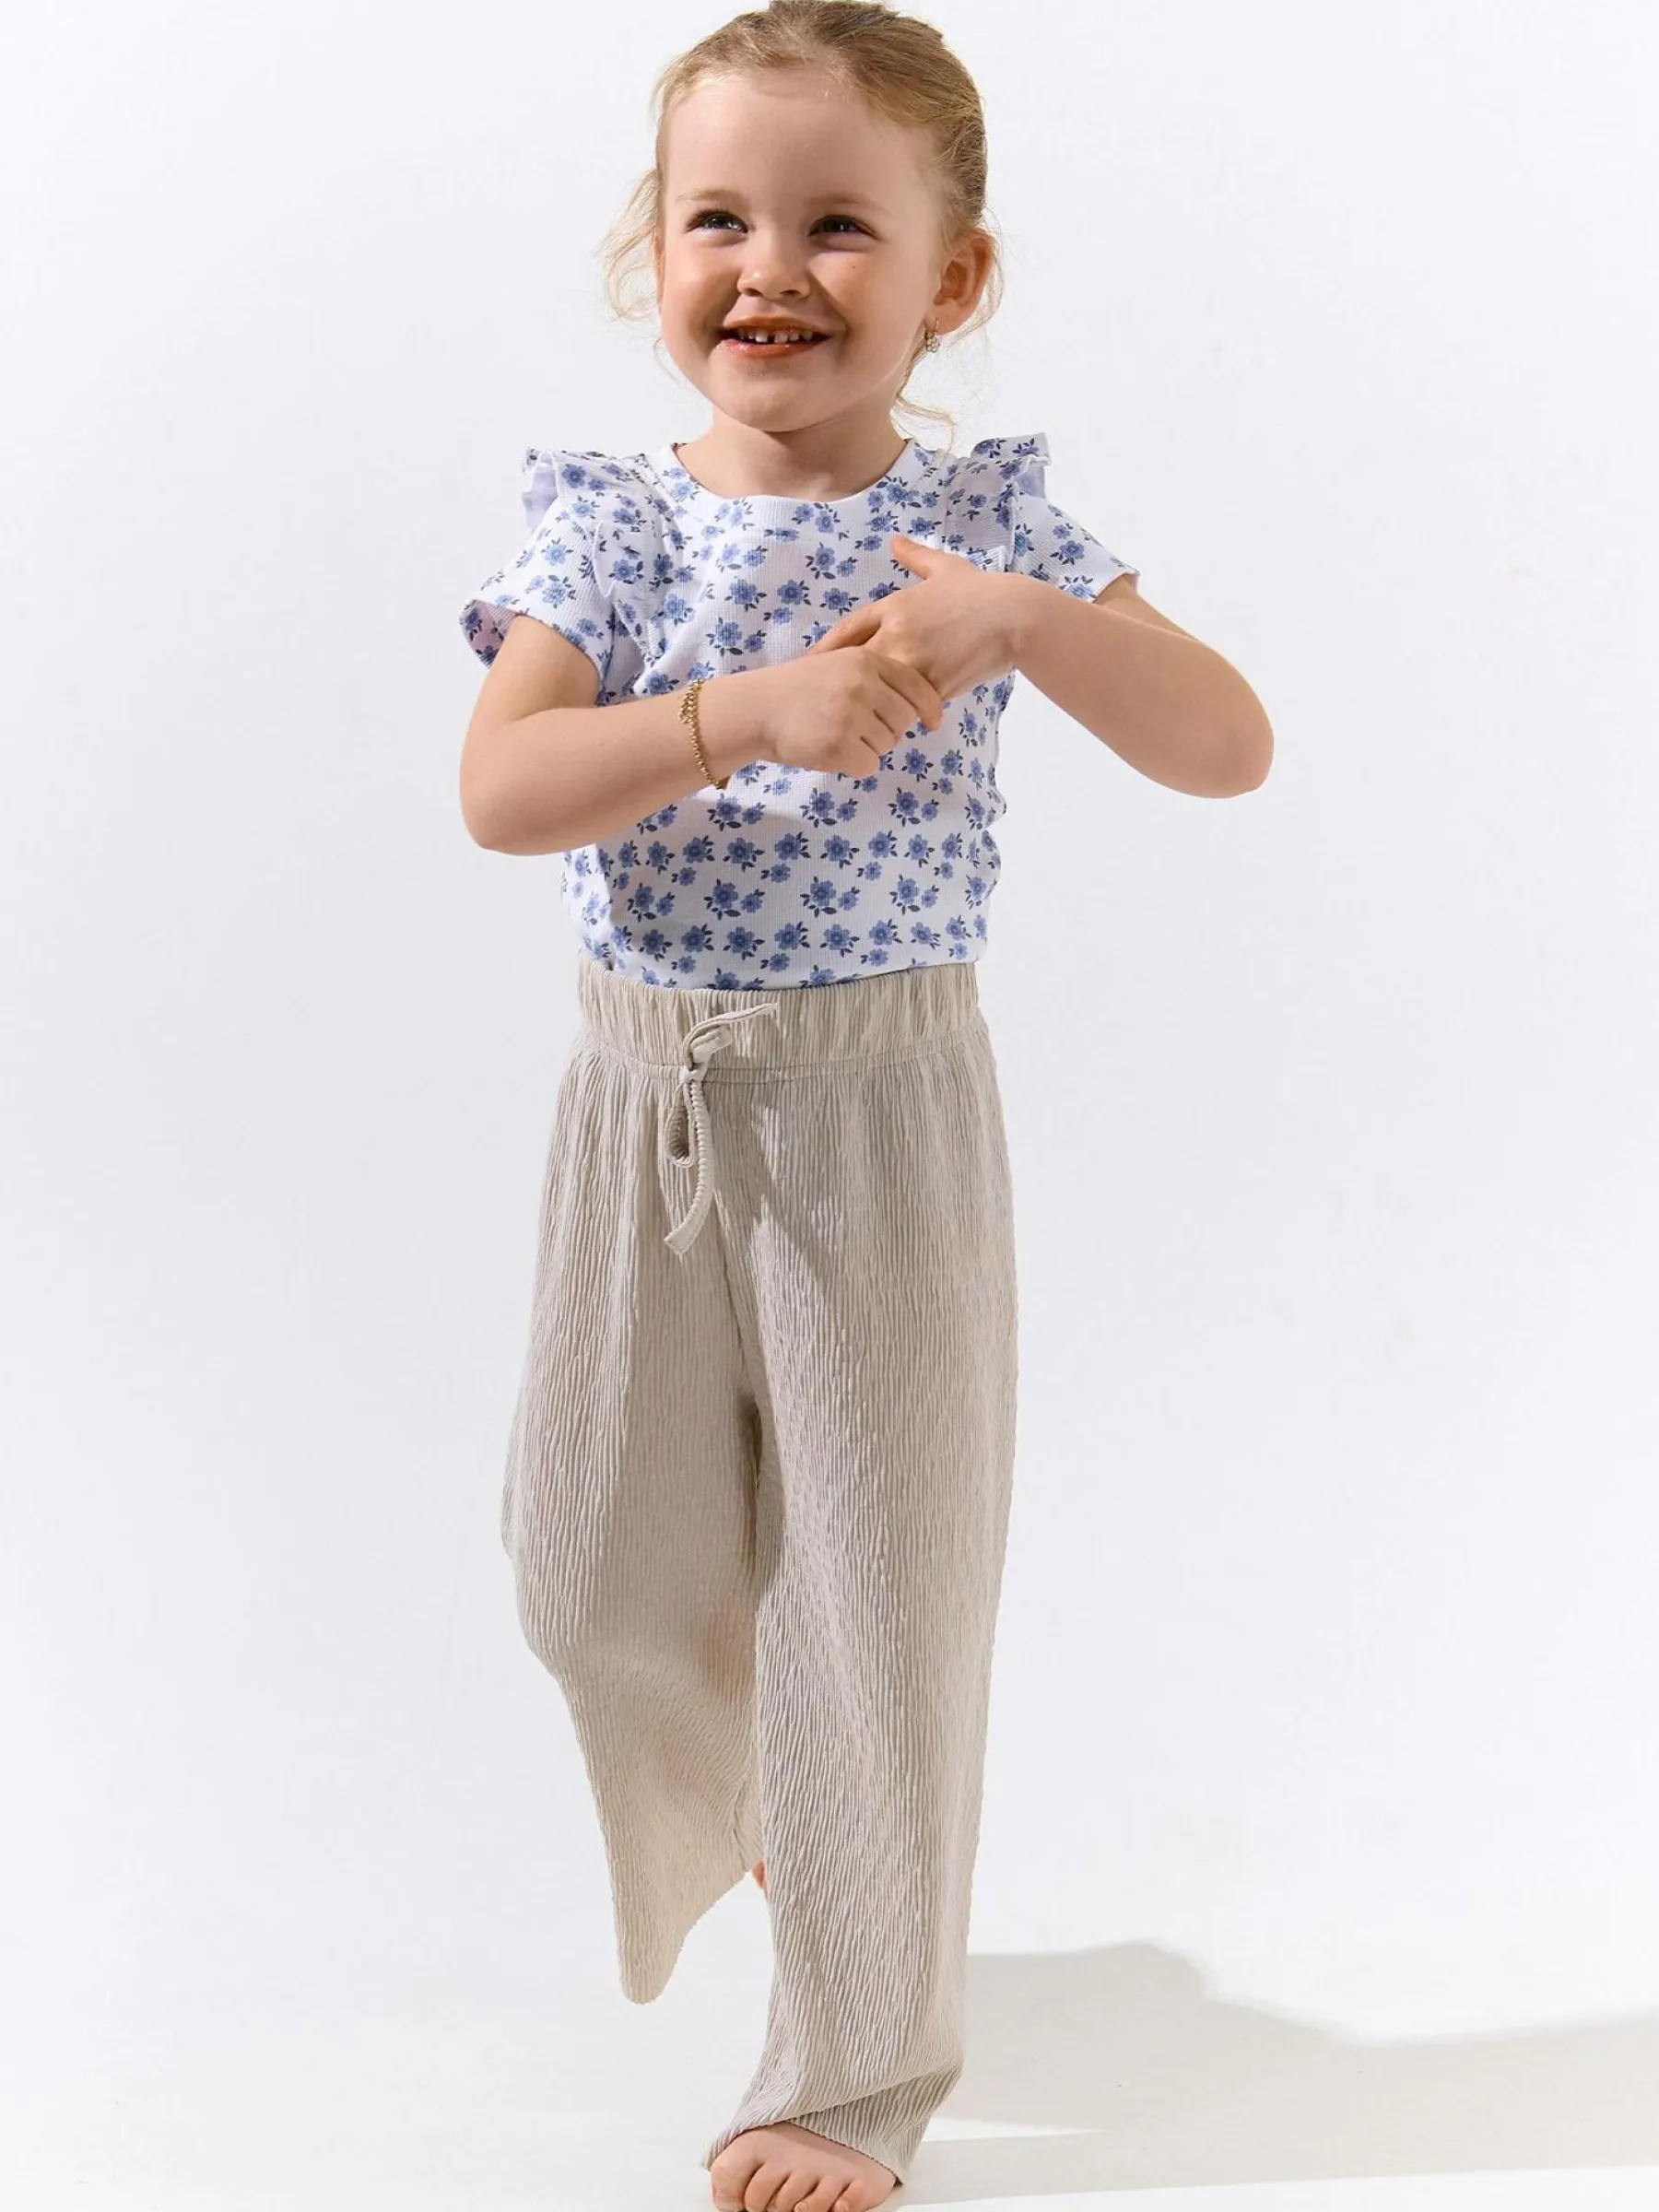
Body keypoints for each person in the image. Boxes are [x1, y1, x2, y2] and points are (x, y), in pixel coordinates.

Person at [456, 5, 1273, 2207]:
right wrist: (739, 716)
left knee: (880, 1606)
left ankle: (847, 2069)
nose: (769, 268)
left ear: (950, 280)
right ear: (656, 252)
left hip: (880, 1110)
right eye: (717, 217)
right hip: (639, 1106)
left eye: (839, 225)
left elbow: (1226, 746)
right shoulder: (611, 525)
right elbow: (504, 791)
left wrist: (1029, 625)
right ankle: (776, 1810)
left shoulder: (979, 527)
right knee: (579, 1566)